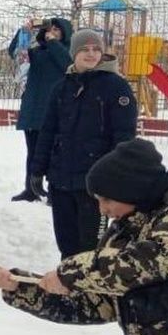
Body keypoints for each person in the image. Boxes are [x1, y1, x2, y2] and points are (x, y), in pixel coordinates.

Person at [0, 139, 168, 335]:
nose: (102, 210)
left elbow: (145, 262)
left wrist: (69, 272)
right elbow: (98, 303)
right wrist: (19, 286)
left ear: (132, 190)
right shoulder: (127, 229)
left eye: (107, 199)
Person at [30, 29, 137, 259]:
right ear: (73, 53)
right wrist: (37, 170)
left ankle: (89, 292)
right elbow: (47, 132)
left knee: (92, 247)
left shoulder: (116, 87)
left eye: (96, 49)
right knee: (67, 244)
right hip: (61, 180)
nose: (91, 54)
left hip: (95, 185)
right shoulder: (62, 87)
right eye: (85, 50)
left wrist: (112, 177)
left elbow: (124, 137)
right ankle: (68, 291)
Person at [9, 18, 73, 202]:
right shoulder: (37, 52)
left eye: (56, 30)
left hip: (55, 111)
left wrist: (53, 42)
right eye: (49, 29)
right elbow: (16, 54)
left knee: (54, 153)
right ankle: (30, 189)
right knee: (33, 151)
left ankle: (55, 191)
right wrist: (23, 33)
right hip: (34, 109)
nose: (51, 32)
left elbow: (66, 64)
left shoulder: (67, 52)